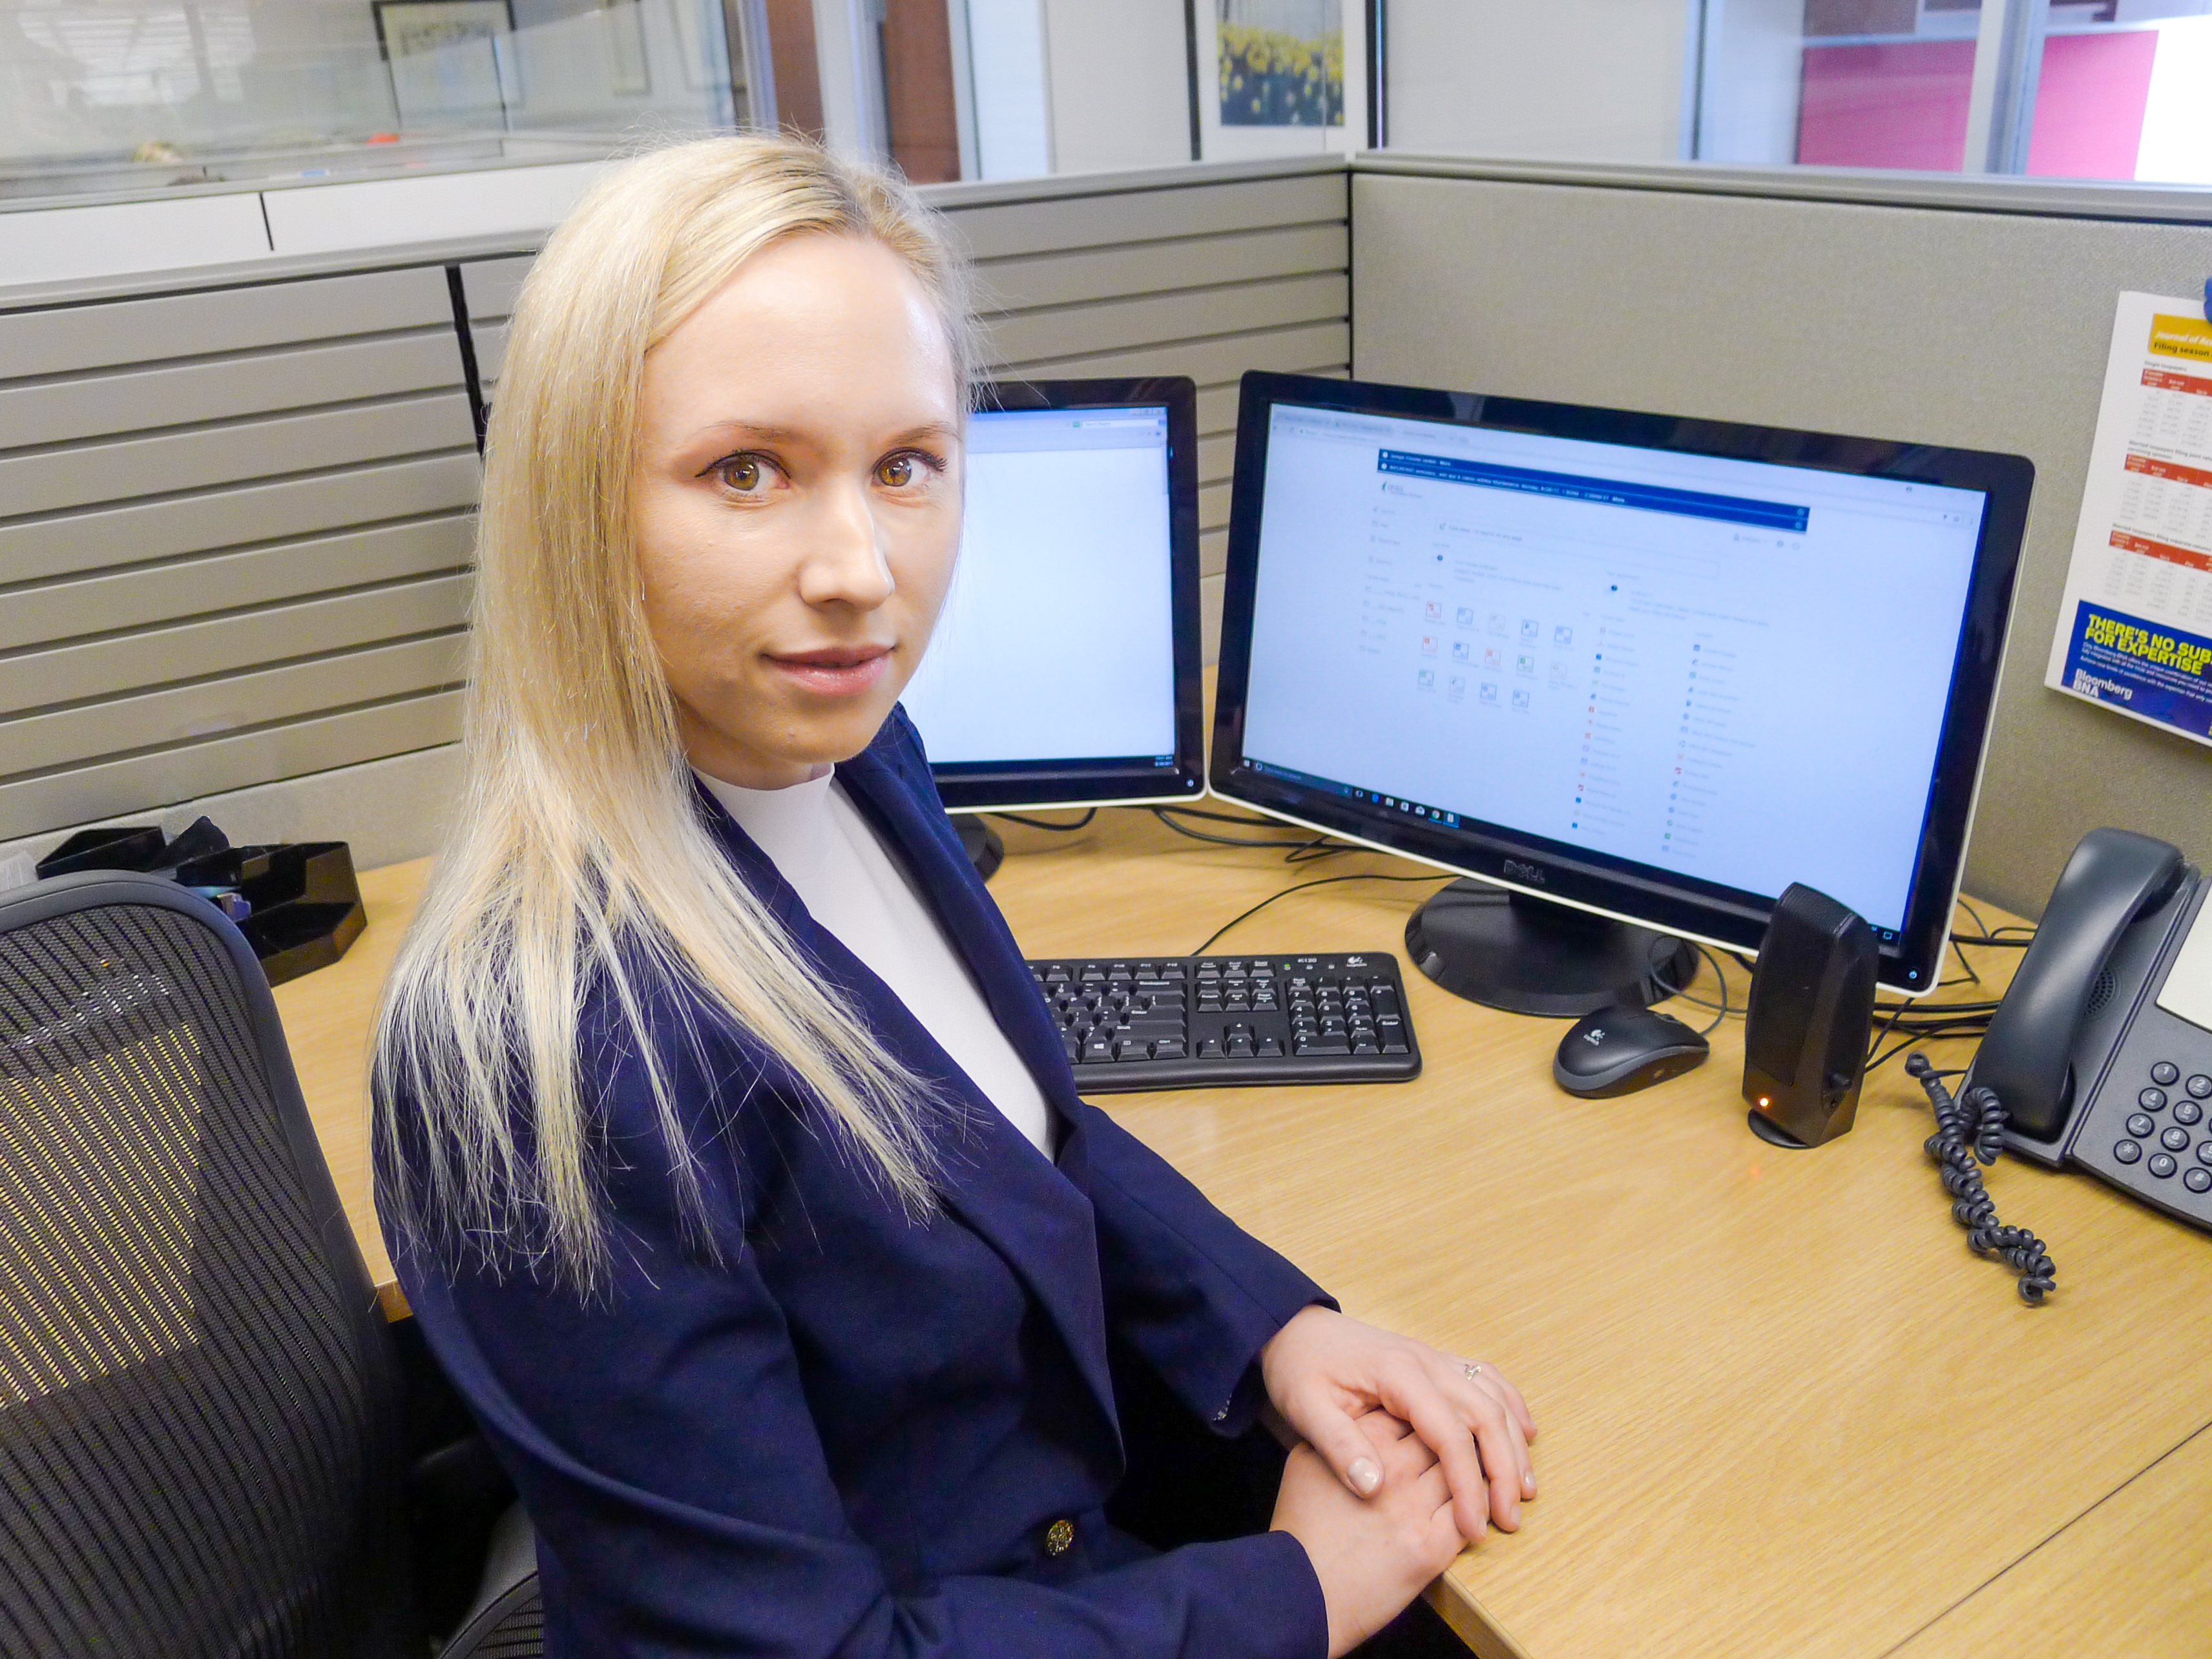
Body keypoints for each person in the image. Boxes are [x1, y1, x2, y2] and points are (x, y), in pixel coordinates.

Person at [373, 134, 1536, 1659]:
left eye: (905, 465)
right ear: (572, 506)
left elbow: (1024, 1143)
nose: (860, 570)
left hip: (1061, 1535)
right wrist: (1291, 1598)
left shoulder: (854, 753)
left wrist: (1270, 1328)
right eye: (745, 471)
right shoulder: (539, 1049)